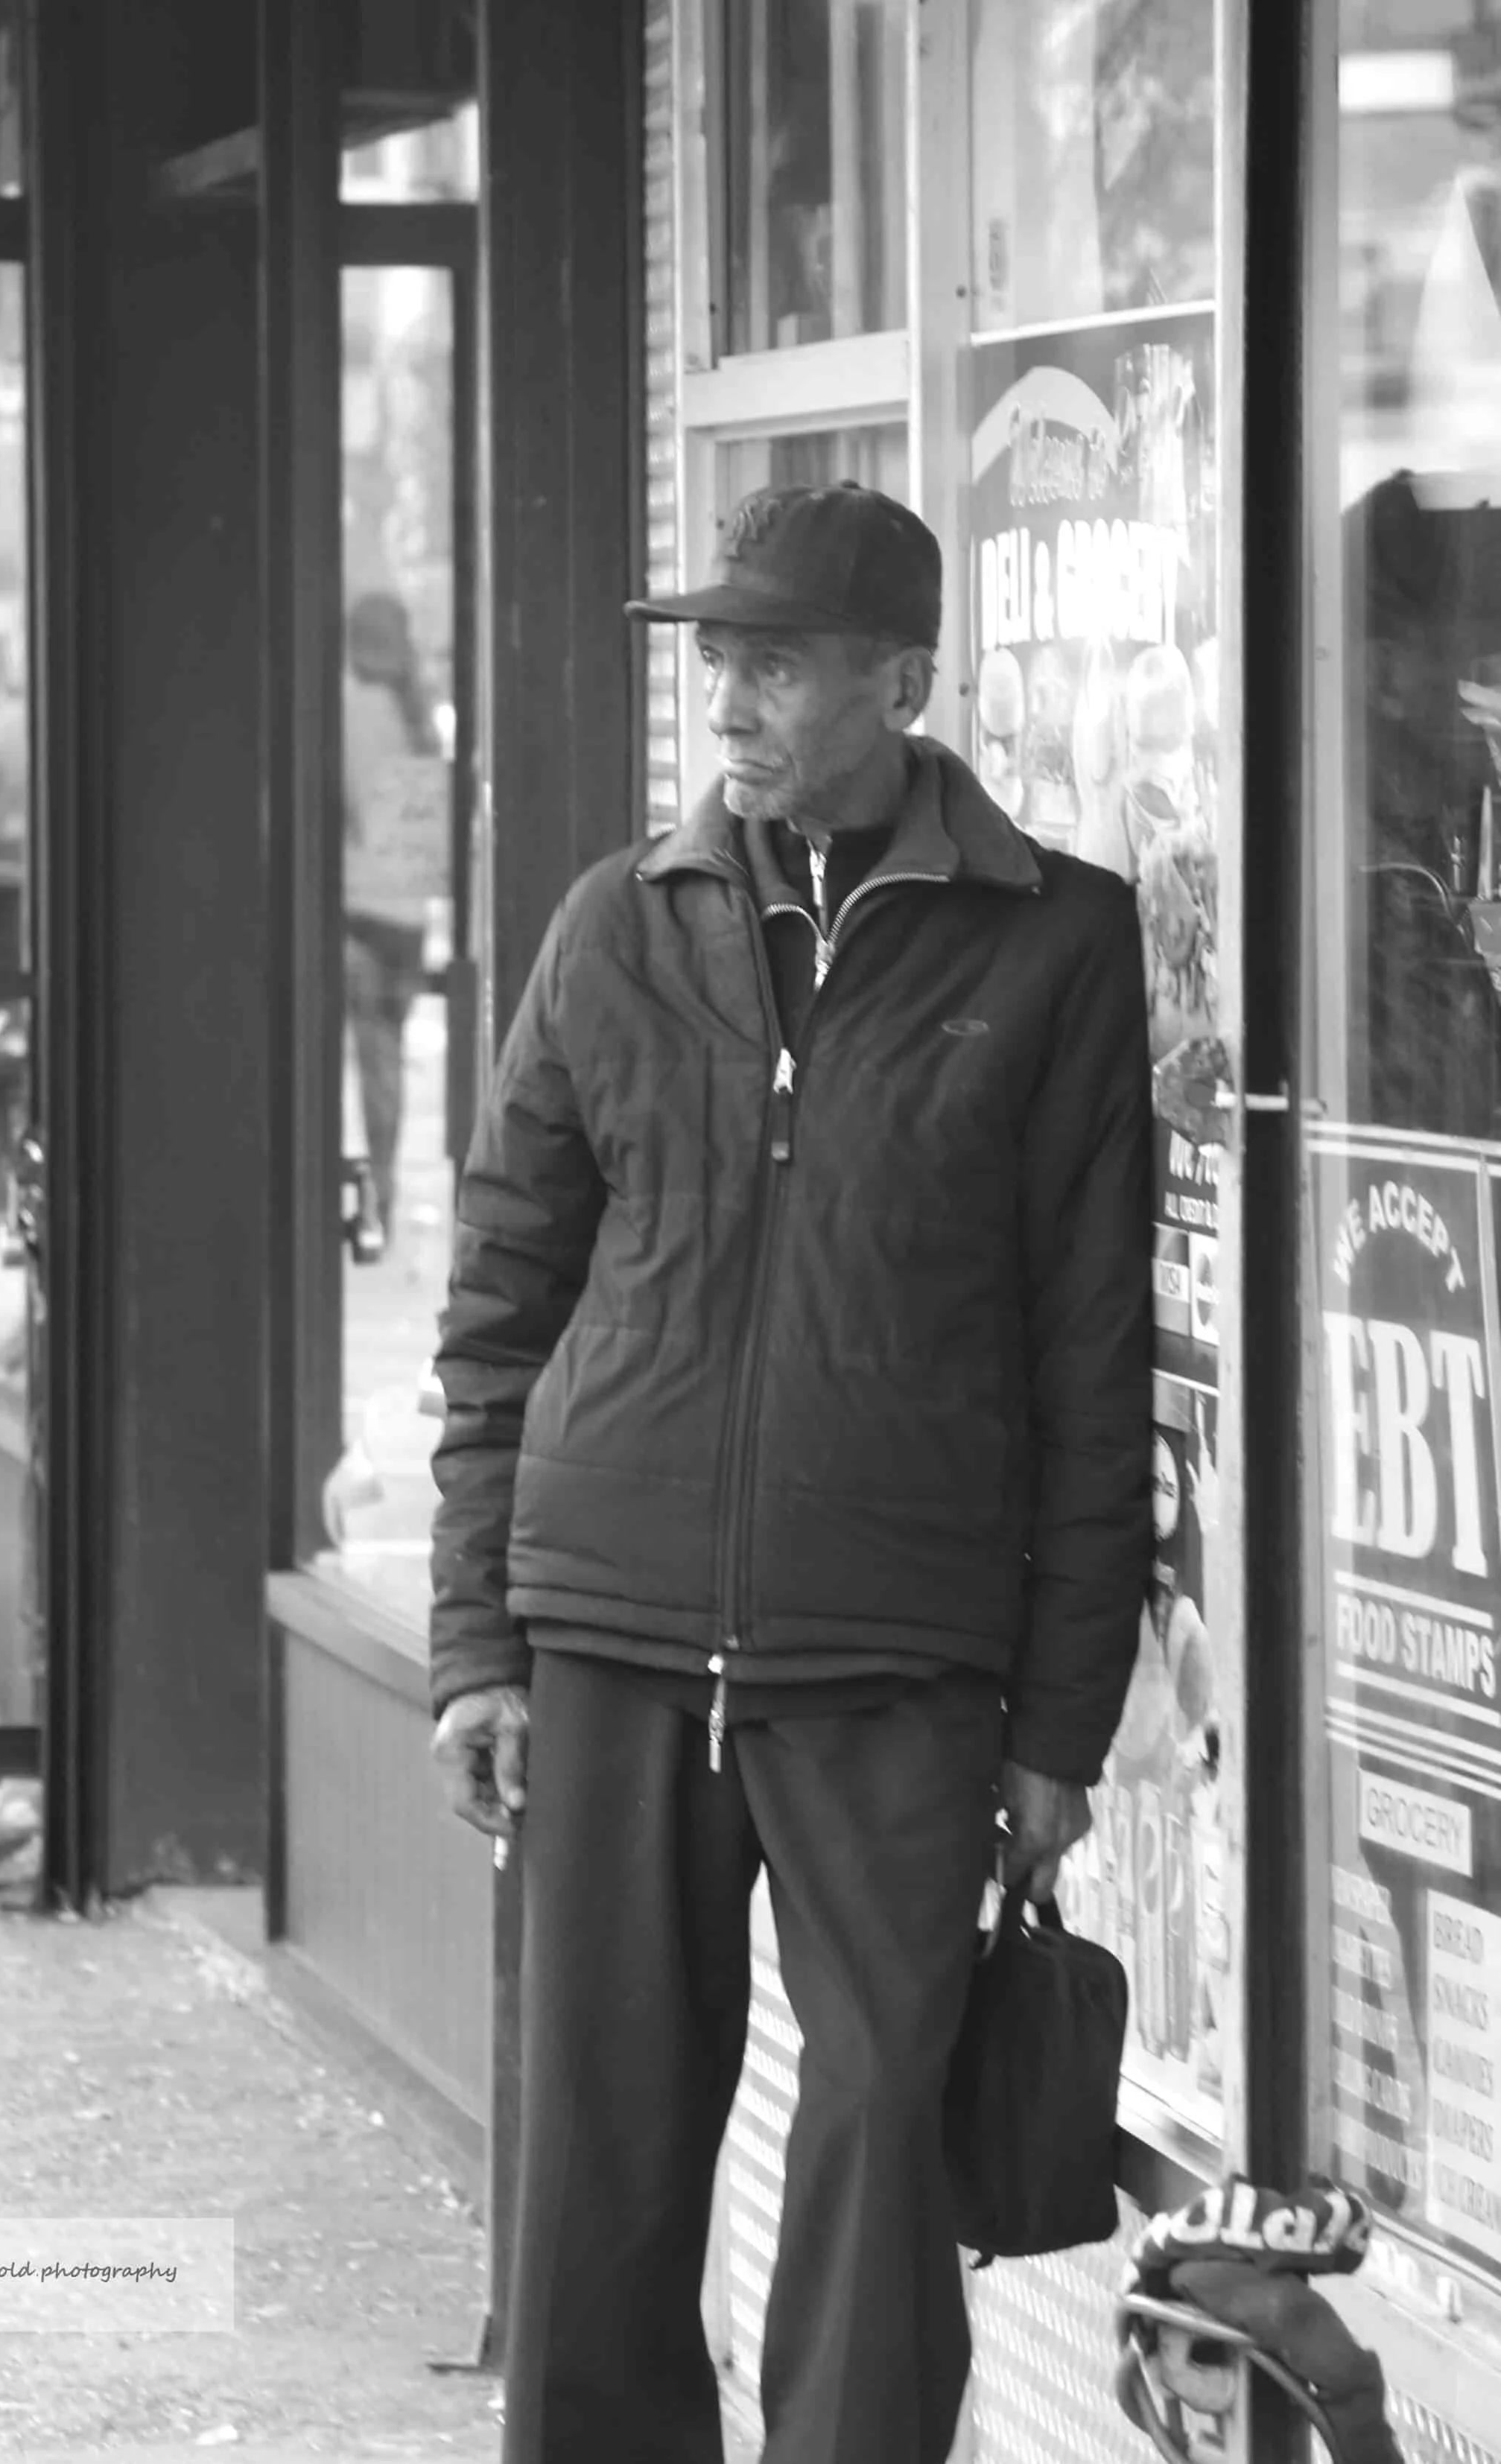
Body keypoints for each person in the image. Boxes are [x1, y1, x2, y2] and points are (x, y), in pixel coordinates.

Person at [428, 480, 1153, 2464]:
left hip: (897, 1657)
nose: (728, 696)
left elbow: (1095, 1361)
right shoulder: (613, 922)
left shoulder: (1059, 943)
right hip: (613, 1633)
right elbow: (502, 1301)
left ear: (901, 684)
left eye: (775, 660)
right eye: (714, 657)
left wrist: (1057, 1724)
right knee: (600, 2163)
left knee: (874, 2161)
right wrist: (476, 1638)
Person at [342, 590, 447, 1244]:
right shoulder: (420, 716)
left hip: (356, 907)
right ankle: (383, 1182)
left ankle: (365, 1195)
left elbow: (347, 807)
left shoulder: (350, 711)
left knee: (353, 1055)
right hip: (406, 918)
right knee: (384, 1059)